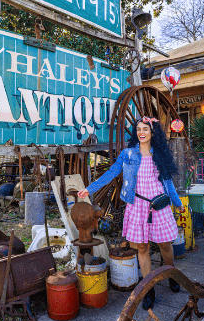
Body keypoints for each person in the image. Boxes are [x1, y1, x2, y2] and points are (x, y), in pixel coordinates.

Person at [79, 117, 184, 310]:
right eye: (138, 129)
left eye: (145, 129)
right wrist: (90, 189)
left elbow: (168, 183)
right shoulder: (128, 154)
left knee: (165, 246)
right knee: (142, 249)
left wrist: (177, 203)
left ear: (153, 133)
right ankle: (148, 288)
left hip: (159, 207)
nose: (141, 132)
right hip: (137, 206)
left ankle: (171, 274)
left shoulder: (159, 154)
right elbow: (112, 172)